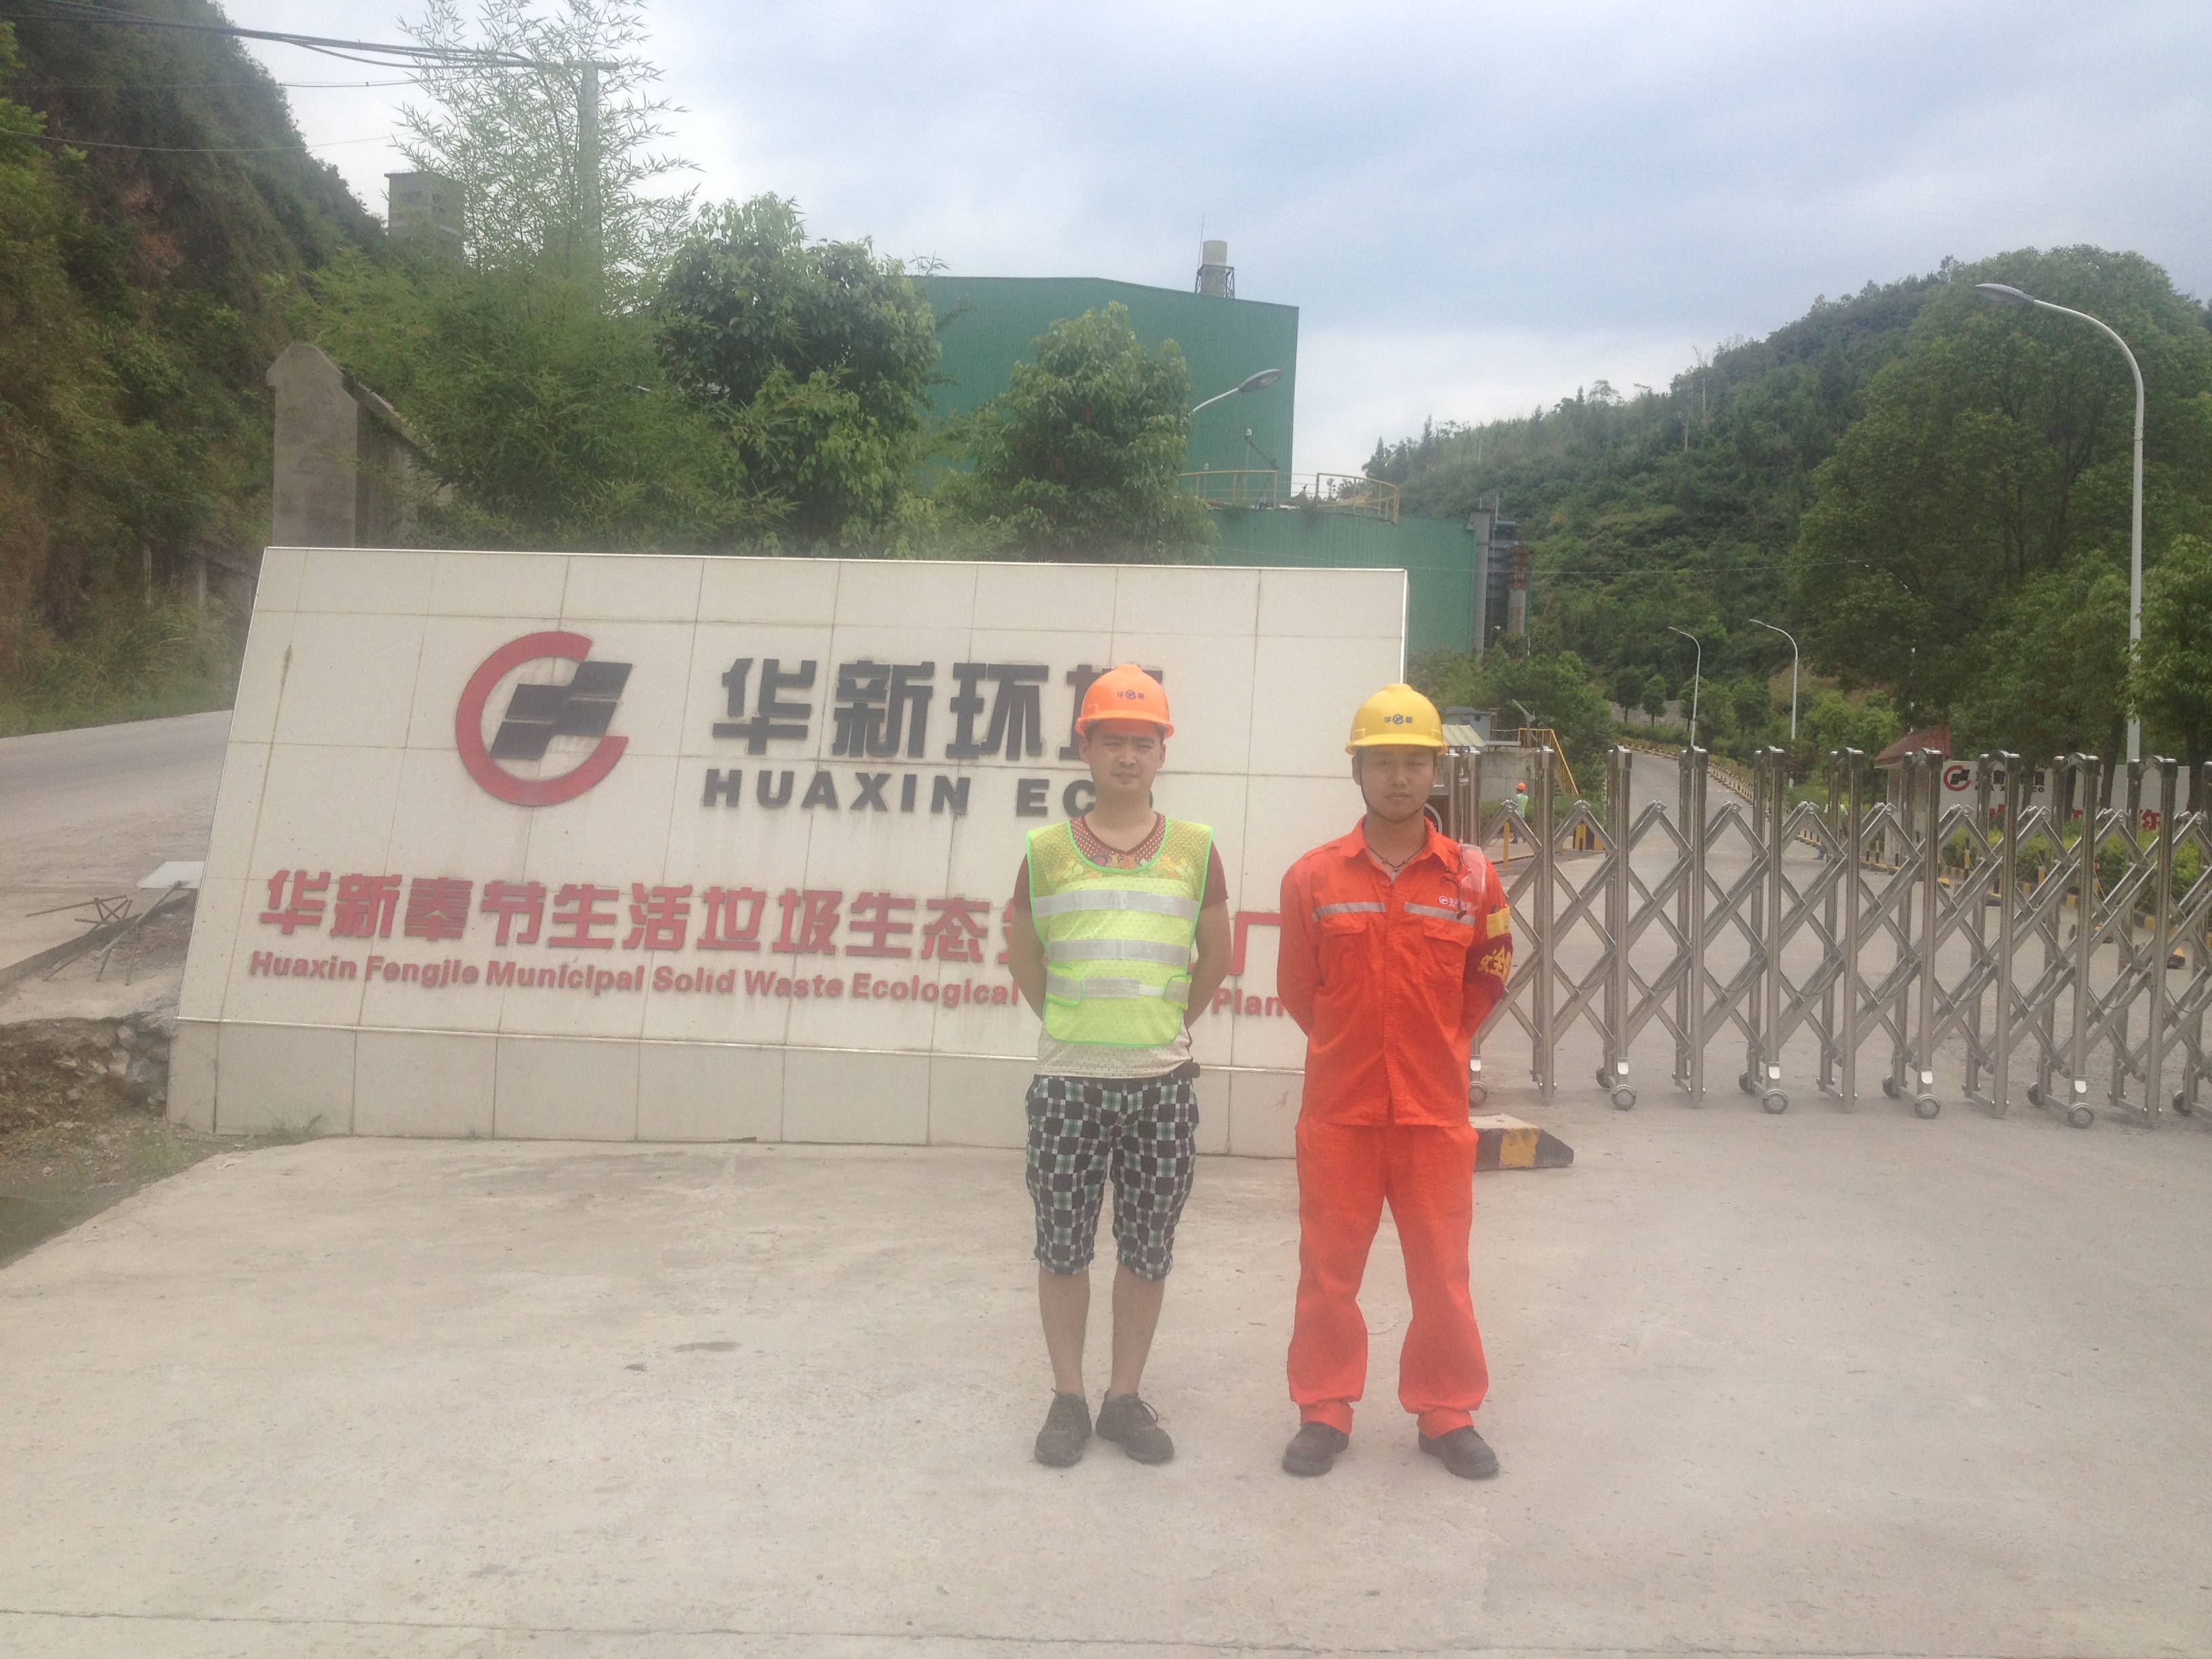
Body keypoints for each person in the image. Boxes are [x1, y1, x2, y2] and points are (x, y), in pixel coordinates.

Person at [1274, 683, 1513, 1480]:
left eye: (1415, 761)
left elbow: (1490, 974)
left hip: (1432, 1114)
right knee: (1328, 1273)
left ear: (1436, 769)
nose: (1400, 778)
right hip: (1340, 1112)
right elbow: (1299, 989)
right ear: (1357, 770)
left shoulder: (1474, 879)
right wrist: (1351, 1047)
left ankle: (1447, 1412)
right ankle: (1324, 1408)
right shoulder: (1312, 878)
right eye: (1383, 762)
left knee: (1442, 1274)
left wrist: (1438, 1043)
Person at [1006, 664, 1232, 1468]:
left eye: (1142, 742)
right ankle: (1068, 1398)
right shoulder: (1045, 851)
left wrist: (1163, 1028)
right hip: (1067, 1085)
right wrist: (1070, 1026)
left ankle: (1124, 1397)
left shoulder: (1196, 849)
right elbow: (1023, 951)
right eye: (1112, 742)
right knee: (1062, 1247)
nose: (1127, 757)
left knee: (1147, 1248)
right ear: (1087, 749)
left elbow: (1216, 955)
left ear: (1162, 752)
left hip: (1161, 1088)